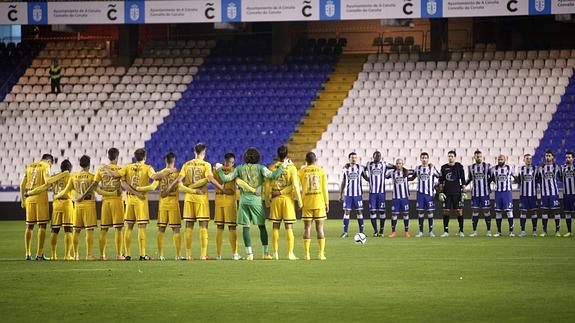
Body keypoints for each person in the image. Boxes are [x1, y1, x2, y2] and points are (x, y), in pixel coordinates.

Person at [215, 147, 288, 261]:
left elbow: (226, 178)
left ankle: (249, 254)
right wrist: (283, 167)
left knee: (246, 227)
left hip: (244, 201)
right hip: (256, 201)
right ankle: (265, 253)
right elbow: (273, 176)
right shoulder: (261, 168)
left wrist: (219, 169)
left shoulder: (239, 168)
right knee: (262, 226)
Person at [104, 148, 174, 260]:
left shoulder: (127, 167)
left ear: (135, 157)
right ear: (145, 157)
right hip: (141, 201)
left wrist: (106, 167)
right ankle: (142, 254)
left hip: (129, 200)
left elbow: (114, 175)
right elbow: (155, 177)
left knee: (129, 227)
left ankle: (127, 254)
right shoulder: (147, 168)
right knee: (142, 227)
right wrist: (167, 171)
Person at [136, 152, 205, 260]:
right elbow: (181, 187)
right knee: (176, 230)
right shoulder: (177, 173)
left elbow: (152, 187)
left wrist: (139, 189)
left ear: (165, 161)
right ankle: (178, 255)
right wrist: (194, 191)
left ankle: (161, 255)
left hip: (162, 205)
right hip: (173, 204)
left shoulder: (160, 173)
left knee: (161, 229)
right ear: (174, 161)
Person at [165, 143, 225, 260]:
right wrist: (221, 187)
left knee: (189, 225)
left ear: (194, 152)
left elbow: (178, 180)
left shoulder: (186, 164)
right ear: (203, 152)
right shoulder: (206, 165)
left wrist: (169, 188)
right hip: (201, 198)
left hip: (189, 198)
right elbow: (210, 179)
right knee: (203, 225)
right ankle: (203, 255)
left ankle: (188, 254)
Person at [55, 155, 115, 260]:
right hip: (89, 205)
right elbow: (99, 191)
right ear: (89, 165)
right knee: (89, 230)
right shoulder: (91, 176)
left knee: (76, 230)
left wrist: (57, 196)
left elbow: (66, 191)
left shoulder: (73, 176)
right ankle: (89, 255)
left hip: (77, 206)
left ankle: (76, 255)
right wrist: (111, 193)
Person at [24, 160, 72, 260]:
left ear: (61, 168)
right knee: (68, 229)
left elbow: (43, 187)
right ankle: (67, 255)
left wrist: (30, 193)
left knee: (54, 230)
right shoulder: (71, 177)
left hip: (56, 205)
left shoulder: (54, 178)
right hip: (67, 203)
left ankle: (53, 255)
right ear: (70, 169)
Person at [86, 148, 126, 260]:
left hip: (105, 202)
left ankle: (102, 255)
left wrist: (103, 192)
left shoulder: (100, 169)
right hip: (117, 201)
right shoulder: (120, 169)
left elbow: (95, 186)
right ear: (117, 157)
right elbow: (123, 184)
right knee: (118, 228)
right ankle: (119, 255)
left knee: (104, 229)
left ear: (108, 157)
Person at [266, 145, 302, 260]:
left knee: (275, 226)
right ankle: (290, 253)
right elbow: (295, 186)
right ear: (287, 154)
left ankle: (275, 253)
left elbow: (267, 187)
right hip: (287, 200)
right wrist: (300, 202)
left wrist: (267, 201)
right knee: (289, 227)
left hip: (275, 200)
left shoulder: (272, 167)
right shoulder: (292, 168)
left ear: (277, 154)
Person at [20, 153, 56, 260]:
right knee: (42, 225)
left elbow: (22, 184)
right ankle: (39, 254)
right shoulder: (46, 166)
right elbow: (47, 183)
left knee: (29, 226)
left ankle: (27, 253)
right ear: (49, 161)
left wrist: (23, 200)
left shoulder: (29, 166)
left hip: (29, 199)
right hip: (40, 198)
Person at [298, 152, 328, 260]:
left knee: (307, 228)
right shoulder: (321, 171)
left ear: (306, 160)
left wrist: (299, 201)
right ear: (316, 159)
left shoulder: (301, 171)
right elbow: (324, 188)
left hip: (307, 202)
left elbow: (296, 187)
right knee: (320, 228)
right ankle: (321, 254)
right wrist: (327, 202)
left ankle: (307, 254)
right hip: (319, 202)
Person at [212, 153, 242, 260]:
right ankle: (235, 254)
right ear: (229, 161)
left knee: (220, 227)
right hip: (229, 201)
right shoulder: (234, 170)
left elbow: (211, 179)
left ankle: (218, 255)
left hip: (219, 201)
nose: (232, 164)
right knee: (232, 227)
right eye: (232, 162)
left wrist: (220, 188)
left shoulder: (216, 169)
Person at [364, 151, 395, 237]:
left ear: (381, 157)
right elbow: (361, 169)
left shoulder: (384, 164)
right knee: (373, 211)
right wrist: (367, 178)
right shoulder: (368, 164)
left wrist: (404, 170)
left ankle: (381, 231)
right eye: (376, 156)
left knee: (382, 212)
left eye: (379, 156)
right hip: (372, 193)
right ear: (373, 156)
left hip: (381, 193)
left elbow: (395, 166)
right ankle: (375, 231)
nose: (378, 157)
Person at [438, 150, 467, 237]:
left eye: (452, 156)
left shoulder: (459, 167)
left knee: (459, 211)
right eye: (449, 156)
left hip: (457, 192)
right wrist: (440, 192)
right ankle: (446, 231)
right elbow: (441, 181)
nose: (450, 157)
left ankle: (461, 231)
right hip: (447, 193)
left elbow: (463, 180)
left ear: (455, 157)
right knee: (446, 211)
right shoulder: (444, 167)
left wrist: (464, 192)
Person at [413, 152, 440, 238]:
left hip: (429, 194)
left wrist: (437, 186)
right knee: (420, 211)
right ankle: (421, 231)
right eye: (423, 158)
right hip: (420, 194)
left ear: (428, 159)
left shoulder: (432, 168)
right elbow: (412, 177)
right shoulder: (417, 168)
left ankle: (431, 231)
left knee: (430, 211)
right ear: (420, 159)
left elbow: (440, 176)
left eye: (425, 158)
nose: (424, 159)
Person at [339, 152, 366, 238]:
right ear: (349, 159)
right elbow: (343, 181)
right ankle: (345, 232)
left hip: (357, 195)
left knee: (359, 211)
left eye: (355, 157)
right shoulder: (345, 169)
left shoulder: (360, 168)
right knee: (347, 212)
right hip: (348, 195)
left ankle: (362, 232)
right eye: (352, 158)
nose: (354, 159)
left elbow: (366, 177)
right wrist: (340, 194)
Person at [385, 159, 414, 238]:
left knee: (405, 214)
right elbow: (384, 175)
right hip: (395, 197)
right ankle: (393, 232)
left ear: (402, 164)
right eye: (397, 163)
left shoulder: (406, 172)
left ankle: (406, 232)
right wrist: (391, 167)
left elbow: (414, 172)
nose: (398, 165)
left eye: (400, 163)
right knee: (394, 214)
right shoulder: (392, 173)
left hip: (404, 197)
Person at [466, 150, 492, 237]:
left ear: (482, 157)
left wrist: (490, 187)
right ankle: (474, 231)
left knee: (486, 211)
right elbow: (469, 179)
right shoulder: (471, 167)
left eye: (480, 156)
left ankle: (488, 230)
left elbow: (492, 177)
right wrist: (463, 185)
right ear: (474, 157)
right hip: (475, 194)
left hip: (485, 193)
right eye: (477, 156)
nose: (478, 158)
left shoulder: (487, 166)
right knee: (475, 211)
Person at [490, 154, 516, 237]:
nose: (500, 161)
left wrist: (511, 184)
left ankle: (511, 232)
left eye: (501, 159)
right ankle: (499, 232)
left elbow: (516, 177)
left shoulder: (509, 168)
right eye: (499, 159)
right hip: (498, 193)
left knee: (509, 212)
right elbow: (491, 179)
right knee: (498, 212)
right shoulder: (494, 169)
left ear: (505, 159)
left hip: (507, 193)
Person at [539, 150, 562, 237]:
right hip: (544, 194)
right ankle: (544, 231)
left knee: (556, 211)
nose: (547, 157)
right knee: (544, 211)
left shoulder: (556, 167)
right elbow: (537, 178)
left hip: (554, 193)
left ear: (552, 157)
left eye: (549, 156)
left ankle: (557, 231)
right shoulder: (541, 168)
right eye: (546, 156)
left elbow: (561, 178)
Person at [517, 154, 540, 237]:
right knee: (523, 212)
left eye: (530, 159)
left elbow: (538, 179)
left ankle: (534, 230)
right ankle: (523, 231)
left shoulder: (535, 169)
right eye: (527, 159)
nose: (529, 160)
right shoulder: (520, 169)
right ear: (524, 160)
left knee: (534, 212)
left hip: (533, 195)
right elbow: (519, 180)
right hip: (523, 195)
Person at [561, 151, 574, 237]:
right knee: (567, 213)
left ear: (573, 158)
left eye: (569, 157)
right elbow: (559, 177)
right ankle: (569, 231)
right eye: (566, 157)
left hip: (574, 194)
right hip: (566, 194)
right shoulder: (562, 168)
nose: (567, 159)